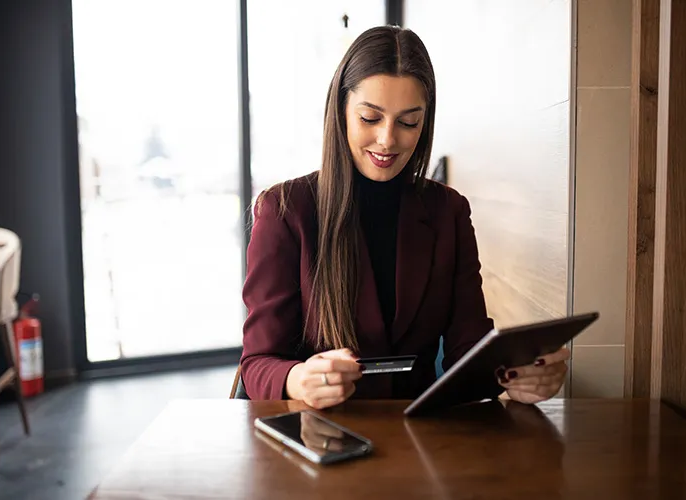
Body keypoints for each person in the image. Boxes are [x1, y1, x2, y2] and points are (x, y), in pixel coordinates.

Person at [240, 25, 570, 409]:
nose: (387, 140)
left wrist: (515, 376)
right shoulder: (285, 210)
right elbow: (257, 364)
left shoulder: (448, 212)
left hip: (424, 440)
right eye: (370, 118)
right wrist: (296, 379)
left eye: (408, 122)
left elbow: (469, 347)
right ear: (341, 112)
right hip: (322, 436)